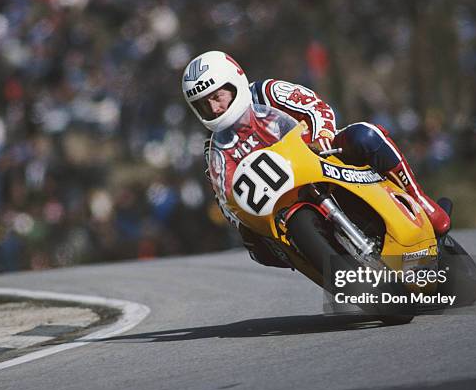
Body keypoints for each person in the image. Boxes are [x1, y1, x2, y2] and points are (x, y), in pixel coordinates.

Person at [182, 51, 450, 267]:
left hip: (319, 156)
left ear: (235, 82)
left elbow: (314, 106)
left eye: (217, 97)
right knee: (254, 243)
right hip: (278, 202)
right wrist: (239, 217)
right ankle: (317, 260)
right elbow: (224, 195)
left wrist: (320, 134)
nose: (214, 108)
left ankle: (419, 199)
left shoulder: (266, 92)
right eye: (204, 105)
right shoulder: (215, 148)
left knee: (365, 135)